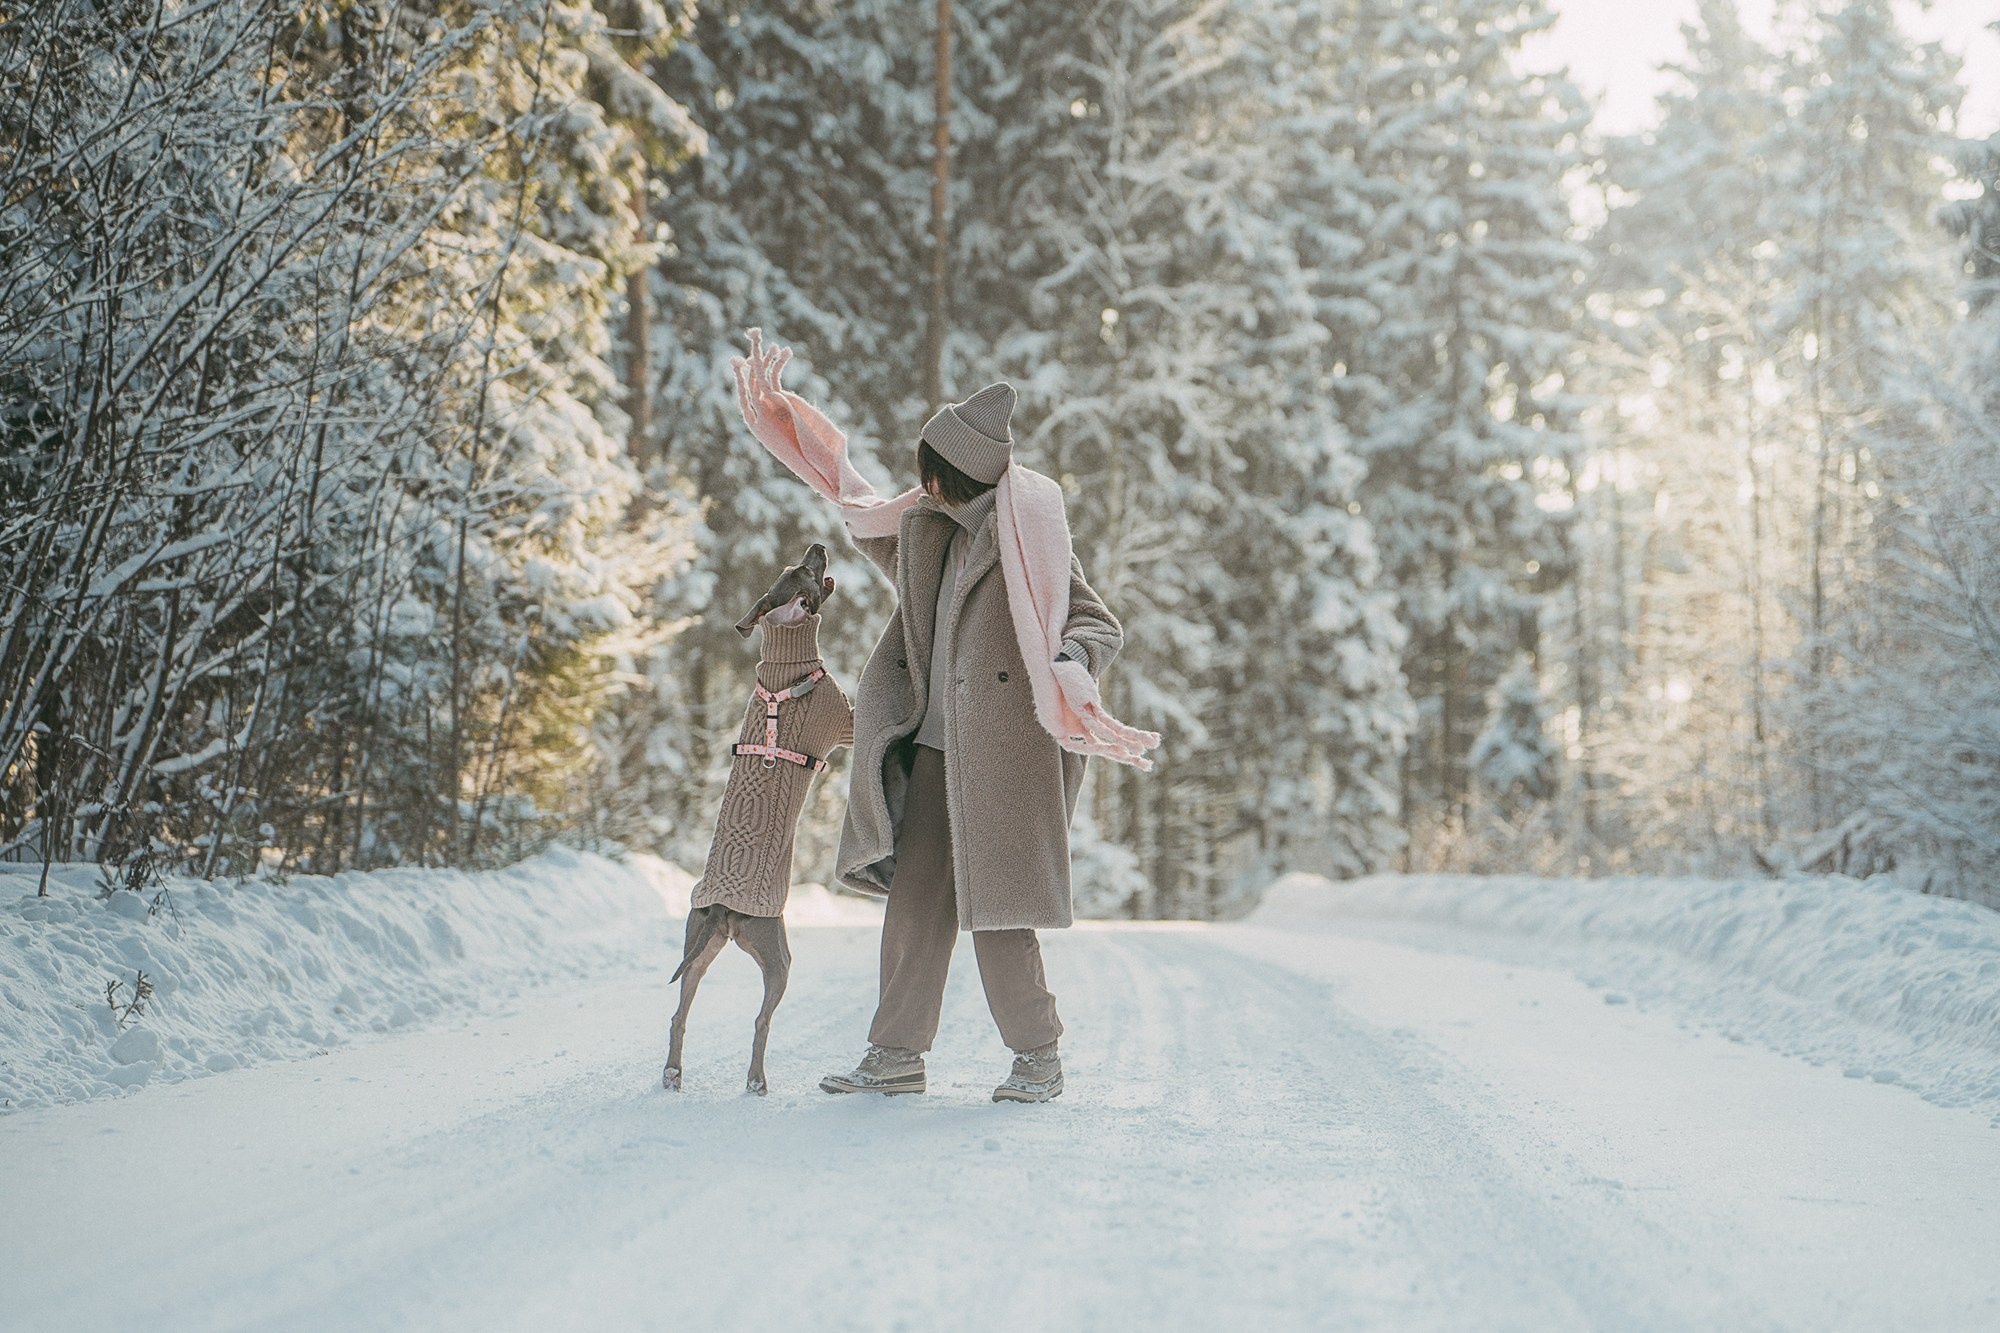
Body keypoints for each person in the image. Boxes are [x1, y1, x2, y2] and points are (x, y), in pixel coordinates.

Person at [730, 332, 1154, 1103]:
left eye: (932, 472)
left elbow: (1098, 624)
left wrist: (1074, 664)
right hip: (931, 747)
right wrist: (787, 427)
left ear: (960, 472)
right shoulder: (928, 532)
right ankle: (895, 1054)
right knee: (916, 901)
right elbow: (857, 506)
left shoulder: (1035, 540)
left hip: (1006, 757)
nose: (919, 485)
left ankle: (1038, 1057)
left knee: (1000, 914)